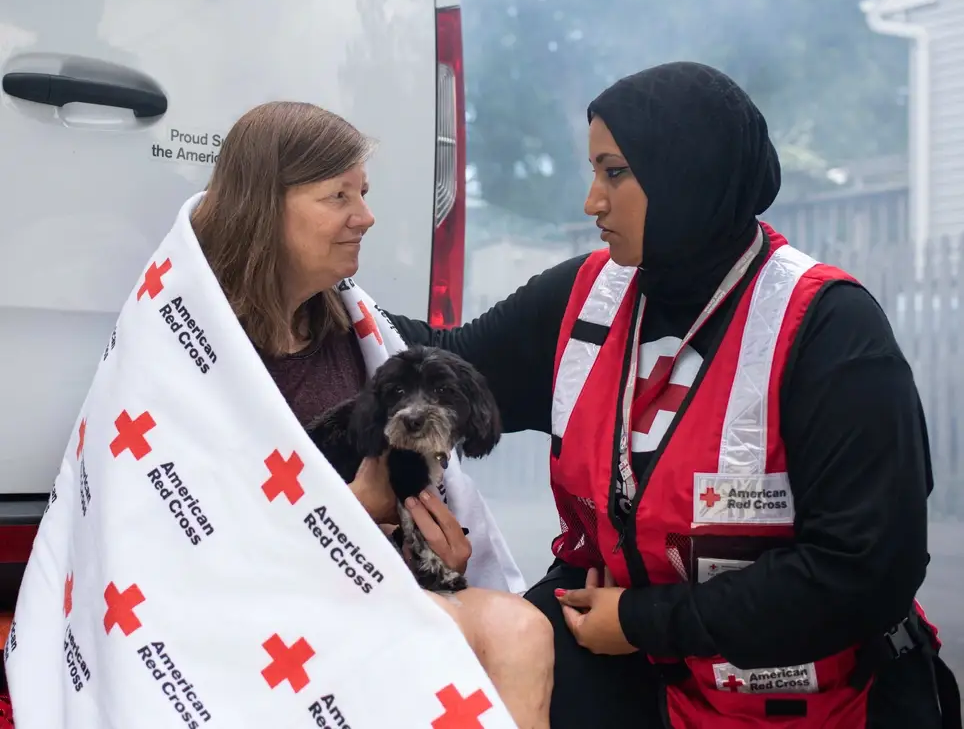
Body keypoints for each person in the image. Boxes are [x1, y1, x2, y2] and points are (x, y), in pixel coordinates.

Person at [390, 62, 962, 729]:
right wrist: (309, 295)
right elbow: (436, 366)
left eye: (614, 172)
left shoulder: (831, 329)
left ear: (687, 173)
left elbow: (865, 573)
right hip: (634, 674)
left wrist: (642, 621)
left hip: (815, 696)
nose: (591, 202)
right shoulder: (586, 298)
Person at [190, 101, 553, 729]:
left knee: (520, 628)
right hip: (257, 600)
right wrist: (346, 520)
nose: (367, 215)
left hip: (379, 581)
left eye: (364, 191)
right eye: (339, 195)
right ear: (264, 205)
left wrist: (437, 554)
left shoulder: (360, 331)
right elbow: (190, 528)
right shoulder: (191, 348)